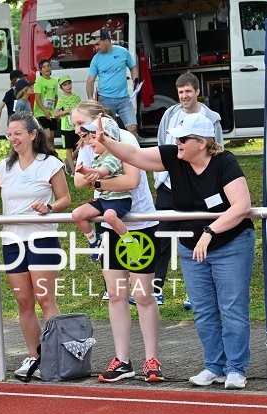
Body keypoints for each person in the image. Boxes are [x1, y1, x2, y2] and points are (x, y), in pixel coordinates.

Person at [94, 111, 255, 390]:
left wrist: (210, 231)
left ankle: (236, 368)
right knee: (203, 310)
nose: (177, 143)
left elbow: (241, 205)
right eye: (176, 138)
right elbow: (135, 156)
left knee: (231, 308)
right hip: (192, 246)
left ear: (202, 142)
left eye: (183, 138)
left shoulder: (225, 163)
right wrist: (106, 142)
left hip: (230, 244)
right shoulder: (174, 157)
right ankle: (213, 366)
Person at [70, 99, 164, 383]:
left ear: (97, 118)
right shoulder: (87, 144)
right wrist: (92, 179)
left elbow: (131, 181)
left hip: (140, 225)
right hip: (111, 228)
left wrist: (96, 183)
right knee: (116, 294)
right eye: (74, 126)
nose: (76, 131)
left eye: (79, 124)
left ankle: (152, 359)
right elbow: (77, 182)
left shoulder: (124, 138)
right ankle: (123, 360)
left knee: (144, 296)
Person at [0, 111, 71, 378]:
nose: (13, 138)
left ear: (32, 134)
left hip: (42, 240)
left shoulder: (49, 163)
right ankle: (34, 356)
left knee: (45, 299)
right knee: (23, 301)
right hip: (13, 242)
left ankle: (56, 357)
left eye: (18, 133)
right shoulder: (4, 166)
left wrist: (49, 206)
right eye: (10, 133)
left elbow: (65, 199)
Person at [154, 72, 224, 309]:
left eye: (188, 91)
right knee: (161, 236)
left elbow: (218, 150)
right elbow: (162, 145)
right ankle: (156, 288)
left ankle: (194, 294)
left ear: (197, 92)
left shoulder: (210, 118)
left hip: (197, 187)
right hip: (169, 185)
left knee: (194, 236)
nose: (184, 96)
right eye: (180, 92)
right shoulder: (170, 114)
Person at [71, 115, 137, 261]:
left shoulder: (114, 156)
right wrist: (84, 171)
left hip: (119, 200)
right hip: (104, 199)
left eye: (94, 138)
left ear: (108, 139)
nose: (89, 142)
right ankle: (94, 241)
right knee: (77, 214)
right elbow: (91, 176)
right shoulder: (97, 158)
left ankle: (130, 242)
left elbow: (103, 172)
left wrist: (86, 172)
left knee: (109, 216)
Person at [86, 29, 140, 136]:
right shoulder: (96, 59)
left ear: (106, 41)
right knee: (108, 132)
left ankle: (132, 152)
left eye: (97, 44)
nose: (96, 48)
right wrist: (91, 99)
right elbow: (90, 81)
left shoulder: (123, 52)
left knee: (132, 128)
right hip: (105, 100)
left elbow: (133, 67)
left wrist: (136, 80)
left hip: (124, 99)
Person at [54, 74, 82, 176]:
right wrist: (66, 111)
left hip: (77, 127)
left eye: (69, 83)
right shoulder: (61, 100)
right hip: (66, 127)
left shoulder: (77, 98)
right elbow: (56, 113)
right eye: (65, 85)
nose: (68, 86)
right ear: (61, 88)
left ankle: (77, 165)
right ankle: (73, 170)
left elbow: (81, 110)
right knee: (69, 148)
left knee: (81, 145)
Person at [33, 59, 58, 147]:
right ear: (40, 70)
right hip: (41, 113)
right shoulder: (39, 82)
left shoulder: (54, 81)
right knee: (47, 135)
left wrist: (55, 111)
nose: (47, 68)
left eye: (48, 66)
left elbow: (55, 97)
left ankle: (53, 155)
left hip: (51, 112)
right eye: (44, 67)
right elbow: (37, 98)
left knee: (52, 137)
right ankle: (45, 153)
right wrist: (45, 111)